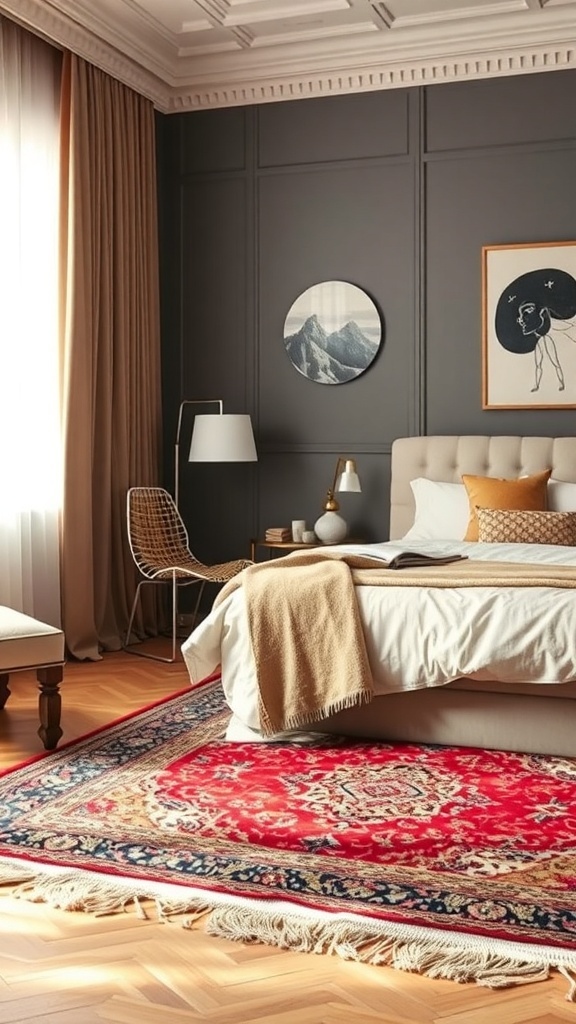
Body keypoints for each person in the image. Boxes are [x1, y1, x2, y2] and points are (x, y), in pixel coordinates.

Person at [494, 267, 576, 394]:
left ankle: (561, 384)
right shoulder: (540, 341)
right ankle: (538, 385)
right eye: (520, 316)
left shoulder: (563, 334)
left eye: (526, 313)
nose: (521, 320)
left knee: (555, 362)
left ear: (543, 312)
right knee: (540, 363)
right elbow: (539, 365)